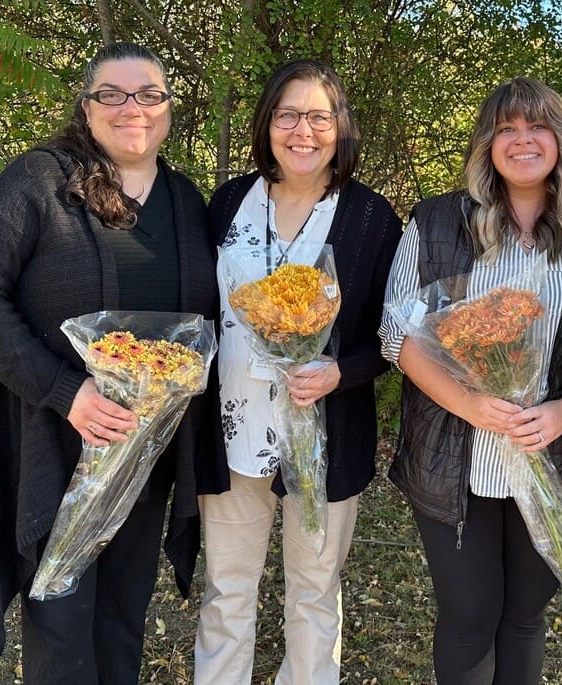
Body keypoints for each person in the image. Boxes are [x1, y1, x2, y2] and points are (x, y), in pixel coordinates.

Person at [0, 42, 217, 684]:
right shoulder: (40, 182)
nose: (132, 108)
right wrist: (65, 391)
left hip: (147, 449)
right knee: (61, 622)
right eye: (111, 95)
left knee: (122, 614)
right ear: (86, 108)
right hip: (56, 443)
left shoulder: (184, 199)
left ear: (169, 108)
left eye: (149, 94)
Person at [378, 77, 562, 684]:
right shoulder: (436, 221)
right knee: (469, 616)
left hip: (556, 451)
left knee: (524, 615)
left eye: (537, 126)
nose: (523, 140)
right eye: (506, 129)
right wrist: (470, 403)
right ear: (486, 144)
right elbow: (398, 333)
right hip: (453, 455)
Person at [193, 59, 401, 685]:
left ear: (341, 128)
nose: (302, 131)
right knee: (227, 585)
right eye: (287, 115)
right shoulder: (228, 202)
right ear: (267, 124)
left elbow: (394, 335)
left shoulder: (371, 218)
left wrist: (341, 371)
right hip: (232, 429)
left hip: (325, 432)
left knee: (314, 587)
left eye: (318, 116)